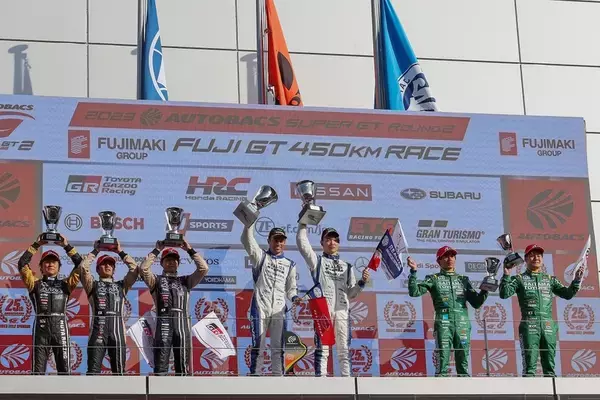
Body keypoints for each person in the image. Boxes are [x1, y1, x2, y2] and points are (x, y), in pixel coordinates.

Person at [296, 225, 370, 377]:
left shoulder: (347, 267)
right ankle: (321, 382)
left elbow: (352, 293)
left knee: (344, 350)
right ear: (322, 243)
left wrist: (362, 282)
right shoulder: (317, 261)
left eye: (335, 240)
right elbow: (302, 244)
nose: (332, 243)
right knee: (323, 349)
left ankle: (347, 382)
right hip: (323, 310)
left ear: (339, 243)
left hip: (342, 310)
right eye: (328, 239)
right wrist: (303, 224)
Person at [499, 244, 583, 377]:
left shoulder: (550, 280)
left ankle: (551, 389)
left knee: (549, 366)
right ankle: (528, 388)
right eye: (532, 255)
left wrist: (577, 280)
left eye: (539, 255)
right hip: (529, 323)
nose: (536, 258)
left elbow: (567, 294)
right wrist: (506, 274)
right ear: (525, 259)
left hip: (548, 324)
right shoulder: (519, 279)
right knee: (529, 366)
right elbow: (504, 294)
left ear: (542, 259)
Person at [408, 245, 488, 377]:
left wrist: (486, 289)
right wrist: (413, 272)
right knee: (443, 355)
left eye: (452, 256)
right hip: (443, 321)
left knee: (463, 357)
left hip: (463, 322)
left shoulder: (463, 279)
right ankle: (440, 385)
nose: (449, 259)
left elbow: (476, 303)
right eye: (445, 256)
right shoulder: (433, 278)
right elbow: (414, 292)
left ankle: (465, 385)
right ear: (438, 261)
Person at [138, 238, 209, 376]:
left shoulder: (186, 280)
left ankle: (182, 389)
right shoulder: (156, 280)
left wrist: (189, 249)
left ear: (178, 263)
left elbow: (203, 268)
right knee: (161, 364)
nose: (171, 262)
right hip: (163, 324)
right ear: (162, 263)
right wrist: (157, 250)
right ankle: (158, 388)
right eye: (168, 259)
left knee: (182, 365)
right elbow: (143, 269)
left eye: (175, 260)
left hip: (182, 325)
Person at [17, 234, 82, 374]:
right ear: (41, 267)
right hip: (41, 328)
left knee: (65, 370)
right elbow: (22, 264)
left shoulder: (66, 284)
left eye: (54, 262)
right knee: (37, 371)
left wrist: (66, 246)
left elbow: (81, 265)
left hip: (60, 327)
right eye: (47, 262)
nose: (51, 264)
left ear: (59, 267)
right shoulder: (34, 283)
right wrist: (36, 245)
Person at [241, 224, 299, 376]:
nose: (278, 243)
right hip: (260, 306)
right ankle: (256, 378)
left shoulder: (290, 264)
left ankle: (278, 378)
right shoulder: (260, 256)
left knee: (278, 347)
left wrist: (294, 298)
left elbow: (291, 289)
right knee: (258, 345)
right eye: (275, 240)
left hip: (279, 309)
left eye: (281, 240)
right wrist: (249, 223)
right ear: (269, 241)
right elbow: (246, 240)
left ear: (284, 242)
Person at [80, 239, 138, 375]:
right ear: (97, 269)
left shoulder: (121, 285)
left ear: (114, 269)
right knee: (93, 372)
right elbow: (83, 268)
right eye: (104, 264)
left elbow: (135, 269)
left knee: (119, 373)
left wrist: (120, 252)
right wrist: (96, 251)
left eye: (110, 264)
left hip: (118, 334)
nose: (107, 266)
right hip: (97, 332)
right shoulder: (92, 285)